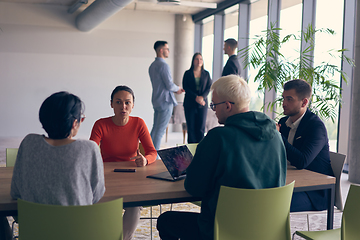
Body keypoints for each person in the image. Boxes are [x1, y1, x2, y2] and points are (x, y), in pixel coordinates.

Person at [156, 75, 287, 240]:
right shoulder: (276, 136)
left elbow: (194, 188)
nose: (213, 109)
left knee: (166, 221)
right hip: (265, 229)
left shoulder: (218, 138)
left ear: (227, 106)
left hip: (221, 230)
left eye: (214, 105)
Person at [1, 92, 105, 240]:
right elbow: (96, 194)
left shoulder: (29, 143)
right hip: (79, 232)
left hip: (36, 233)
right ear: (75, 122)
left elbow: (16, 192)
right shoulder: (89, 148)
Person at [90, 85, 157, 240]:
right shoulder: (101, 124)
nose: (123, 106)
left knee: (134, 206)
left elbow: (152, 152)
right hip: (106, 177)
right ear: (111, 104)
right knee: (99, 204)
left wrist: (146, 160)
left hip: (132, 177)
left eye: (127, 102)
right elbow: (91, 153)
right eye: (118, 102)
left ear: (133, 105)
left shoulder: (139, 123)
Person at [277, 79, 334, 212]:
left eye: (289, 99)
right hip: (290, 182)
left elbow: (302, 161)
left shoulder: (316, 127)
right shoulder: (283, 122)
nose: (284, 103)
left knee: (273, 203)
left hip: (314, 192)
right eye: (283, 98)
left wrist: (278, 137)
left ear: (304, 102)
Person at [149, 40, 184, 150]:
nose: (168, 51)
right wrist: (178, 88)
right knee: (160, 131)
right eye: (167, 49)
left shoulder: (152, 65)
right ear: (161, 50)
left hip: (156, 100)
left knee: (155, 129)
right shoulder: (164, 65)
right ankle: (155, 157)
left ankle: (149, 152)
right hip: (165, 101)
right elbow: (169, 85)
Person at [182, 52, 212, 143]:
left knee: (201, 128)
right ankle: (191, 151)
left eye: (201, 59)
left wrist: (202, 97)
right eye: (197, 59)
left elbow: (209, 87)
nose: (199, 61)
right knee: (191, 128)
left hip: (202, 104)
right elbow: (185, 87)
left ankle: (200, 150)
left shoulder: (206, 74)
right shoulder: (188, 73)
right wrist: (196, 97)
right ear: (193, 61)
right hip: (190, 103)